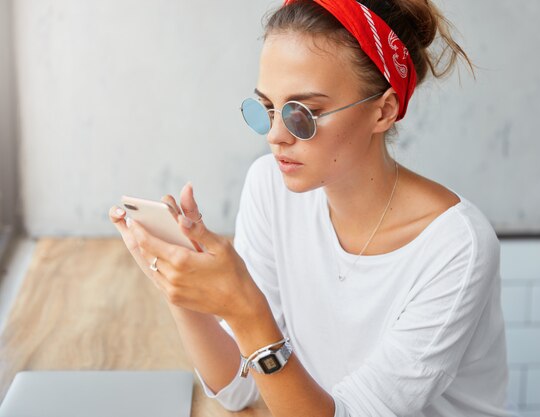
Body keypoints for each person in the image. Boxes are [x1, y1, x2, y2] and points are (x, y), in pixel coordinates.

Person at [109, 0, 517, 416]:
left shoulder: (456, 247)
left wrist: (246, 309)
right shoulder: (271, 186)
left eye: (302, 114)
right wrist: (180, 286)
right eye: (266, 109)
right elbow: (239, 389)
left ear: (384, 110)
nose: (275, 135)